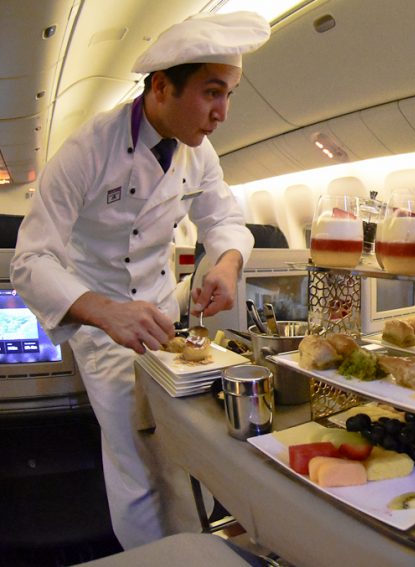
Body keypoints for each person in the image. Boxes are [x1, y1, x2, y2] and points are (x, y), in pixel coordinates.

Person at [10, 12, 270, 548]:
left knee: (180, 448)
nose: (222, 113)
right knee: (136, 457)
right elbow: (31, 261)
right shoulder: (87, 150)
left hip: (160, 316)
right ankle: (157, 557)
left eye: (230, 95)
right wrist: (103, 312)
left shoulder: (198, 149)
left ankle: (192, 548)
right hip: (100, 323)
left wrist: (225, 265)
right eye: (211, 92)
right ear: (160, 87)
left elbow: (226, 220)